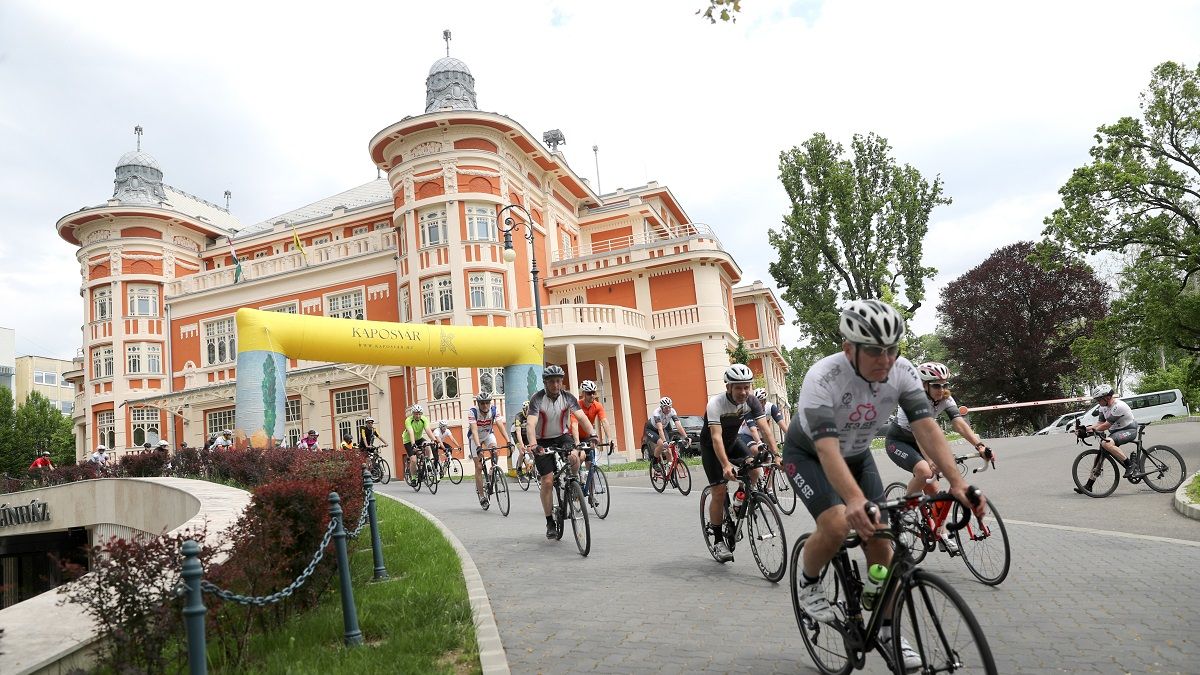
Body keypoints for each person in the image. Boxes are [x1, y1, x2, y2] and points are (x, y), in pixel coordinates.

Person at [786, 299, 986, 670]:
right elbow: (827, 451)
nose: (886, 359)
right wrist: (854, 501)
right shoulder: (822, 378)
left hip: (858, 455)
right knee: (835, 523)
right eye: (875, 351)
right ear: (849, 349)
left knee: (882, 543)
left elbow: (926, 427)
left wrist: (958, 483)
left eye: (893, 349)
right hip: (810, 455)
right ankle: (810, 584)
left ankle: (886, 627)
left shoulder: (903, 372)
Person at [884, 361, 991, 553]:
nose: (941, 389)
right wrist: (932, 461)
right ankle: (904, 514)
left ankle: (938, 533)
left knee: (935, 494)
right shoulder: (912, 398)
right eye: (936, 385)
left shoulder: (946, 399)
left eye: (944, 385)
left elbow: (959, 424)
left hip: (922, 440)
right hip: (899, 442)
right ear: (924, 385)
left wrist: (979, 445)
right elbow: (919, 434)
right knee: (924, 471)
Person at [700, 363, 779, 562]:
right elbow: (716, 438)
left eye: (747, 387)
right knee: (718, 491)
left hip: (733, 443)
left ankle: (738, 501)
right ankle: (718, 541)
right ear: (728, 387)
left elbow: (765, 429)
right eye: (738, 387)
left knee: (755, 470)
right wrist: (726, 465)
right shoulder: (715, 404)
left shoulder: (751, 401)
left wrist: (777, 454)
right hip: (712, 448)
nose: (743, 392)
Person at [526, 365, 598, 539]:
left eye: (558, 381)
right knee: (548, 480)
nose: (556, 385)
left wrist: (593, 435)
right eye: (552, 382)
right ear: (545, 383)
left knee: (575, 457)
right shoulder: (537, 399)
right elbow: (530, 424)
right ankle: (550, 520)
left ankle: (573, 485)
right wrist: (534, 445)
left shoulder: (567, 397)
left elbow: (582, 418)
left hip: (561, 436)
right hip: (541, 440)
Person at [1075, 384, 1138, 494]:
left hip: (1129, 430)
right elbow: (1100, 423)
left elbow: (1106, 425)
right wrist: (1084, 429)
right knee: (1099, 456)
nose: (1097, 401)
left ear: (1107, 397)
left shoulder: (1119, 406)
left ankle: (1130, 465)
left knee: (1106, 444)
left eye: (1099, 399)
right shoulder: (1102, 407)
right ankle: (1089, 486)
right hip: (1115, 432)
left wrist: (1090, 432)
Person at [467, 392, 510, 508]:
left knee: (495, 450)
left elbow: (500, 425)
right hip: (474, 439)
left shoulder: (494, 410)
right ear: (478, 403)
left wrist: (508, 441)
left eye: (487, 403)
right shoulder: (473, 412)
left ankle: (492, 471)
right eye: (482, 403)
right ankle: (482, 496)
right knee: (479, 467)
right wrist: (478, 447)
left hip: (487, 435)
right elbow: (474, 431)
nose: (485, 405)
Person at [576, 380, 611, 497]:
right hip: (574, 435)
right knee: (581, 456)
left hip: (587, 436)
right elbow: (574, 425)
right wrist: (577, 443)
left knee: (591, 464)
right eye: (589, 393)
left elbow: (604, 421)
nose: (592, 395)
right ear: (583, 394)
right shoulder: (577, 405)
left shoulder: (597, 406)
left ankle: (591, 494)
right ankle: (576, 478)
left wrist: (610, 438)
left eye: (593, 393)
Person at [740, 387, 787, 461]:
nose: (760, 404)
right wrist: (759, 442)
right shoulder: (749, 409)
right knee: (757, 451)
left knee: (771, 455)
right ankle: (757, 471)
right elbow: (753, 430)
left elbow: (782, 424)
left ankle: (769, 471)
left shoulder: (770, 407)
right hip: (747, 435)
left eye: (762, 401)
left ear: (765, 400)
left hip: (762, 435)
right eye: (758, 402)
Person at [644, 396, 687, 467]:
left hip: (662, 429)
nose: (668, 409)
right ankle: (654, 462)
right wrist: (664, 442)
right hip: (651, 430)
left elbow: (678, 425)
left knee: (669, 450)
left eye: (669, 407)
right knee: (661, 444)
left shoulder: (672, 411)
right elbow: (660, 429)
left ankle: (670, 471)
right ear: (661, 407)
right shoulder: (657, 413)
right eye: (666, 407)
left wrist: (686, 437)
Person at [400, 408, 434, 479]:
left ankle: (427, 462)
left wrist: (434, 440)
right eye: (416, 414)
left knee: (427, 446)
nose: (418, 416)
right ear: (413, 414)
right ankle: (413, 477)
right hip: (408, 441)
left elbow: (428, 430)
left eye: (419, 414)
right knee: (413, 460)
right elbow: (411, 432)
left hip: (419, 438)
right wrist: (413, 444)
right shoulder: (408, 420)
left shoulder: (424, 419)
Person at [509, 401, 533, 477]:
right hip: (516, 434)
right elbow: (518, 433)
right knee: (522, 452)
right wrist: (522, 445)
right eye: (527, 410)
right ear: (524, 410)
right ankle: (519, 468)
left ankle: (531, 469)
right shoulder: (518, 417)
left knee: (531, 451)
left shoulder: (533, 416)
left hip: (526, 433)